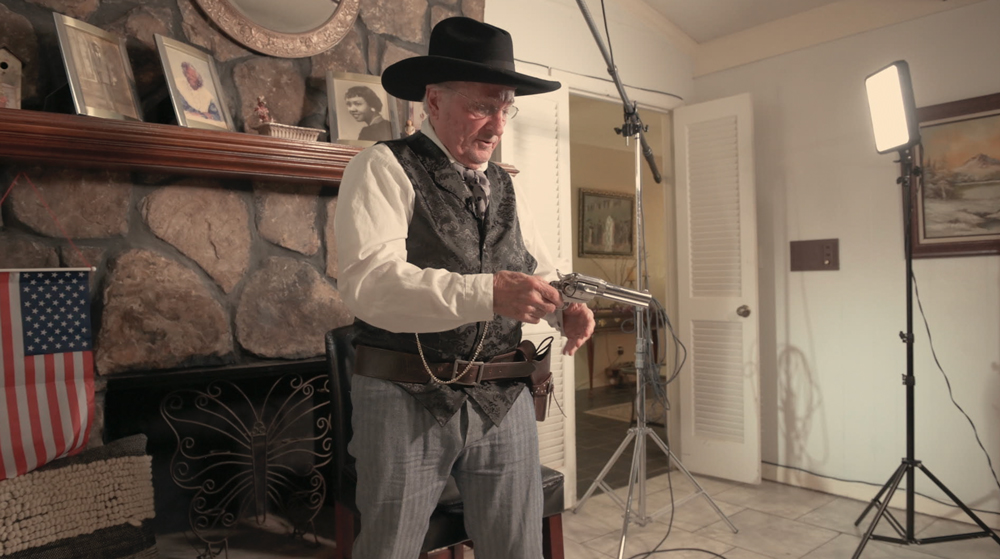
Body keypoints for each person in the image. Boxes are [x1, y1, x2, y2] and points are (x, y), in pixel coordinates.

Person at [335, 16, 595, 559]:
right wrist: (487, 294)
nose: (497, 125)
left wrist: (562, 309)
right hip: (405, 395)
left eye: (506, 106)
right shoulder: (382, 167)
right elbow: (370, 286)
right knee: (390, 550)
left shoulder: (506, 184)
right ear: (433, 100)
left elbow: (538, 273)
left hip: (503, 398)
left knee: (517, 549)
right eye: (482, 106)